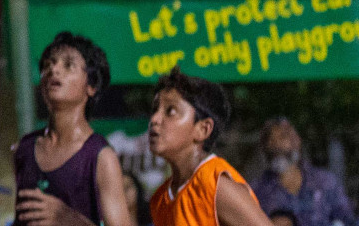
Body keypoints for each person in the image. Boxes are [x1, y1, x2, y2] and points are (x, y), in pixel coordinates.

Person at [14, 32, 132, 226]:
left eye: (68, 65)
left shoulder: (101, 157)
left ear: (91, 86)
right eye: (47, 64)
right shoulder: (25, 148)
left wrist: (66, 218)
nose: (54, 69)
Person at [147, 67, 273, 226]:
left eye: (170, 111)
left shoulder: (216, 187)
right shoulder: (160, 199)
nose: (155, 119)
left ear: (203, 129)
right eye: (154, 109)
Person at [251, 119, 354, 226]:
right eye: (271, 139)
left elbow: (346, 218)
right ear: (265, 145)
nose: (277, 144)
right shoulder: (257, 191)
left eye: (287, 136)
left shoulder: (324, 181)